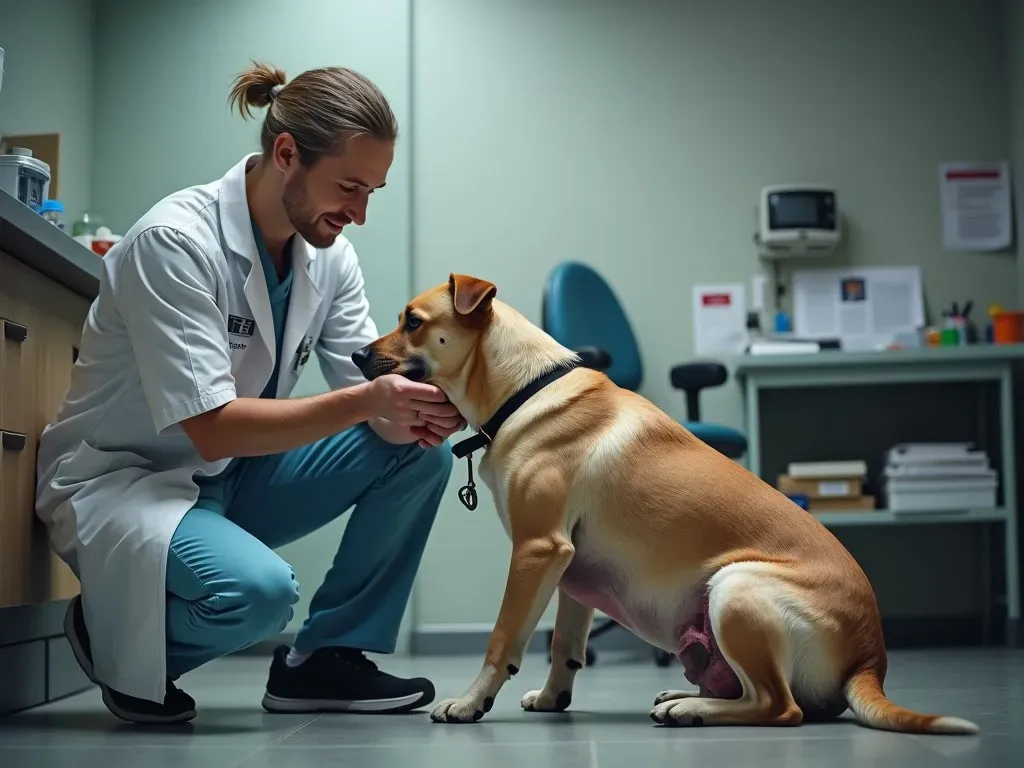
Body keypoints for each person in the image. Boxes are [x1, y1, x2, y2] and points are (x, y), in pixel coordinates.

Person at [34, 61, 463, 725]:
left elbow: (370, 390)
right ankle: (117, 642)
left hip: (232, 478)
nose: (360, 213)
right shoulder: (174, 242)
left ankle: (323, 660)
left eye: (373, 190)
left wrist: (440, 402)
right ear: (286, 153)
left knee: (421, 455)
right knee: (259, 596)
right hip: (130, 479)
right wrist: (370, 403)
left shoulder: (328, 255)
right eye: (349, 186)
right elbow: (212, 427)